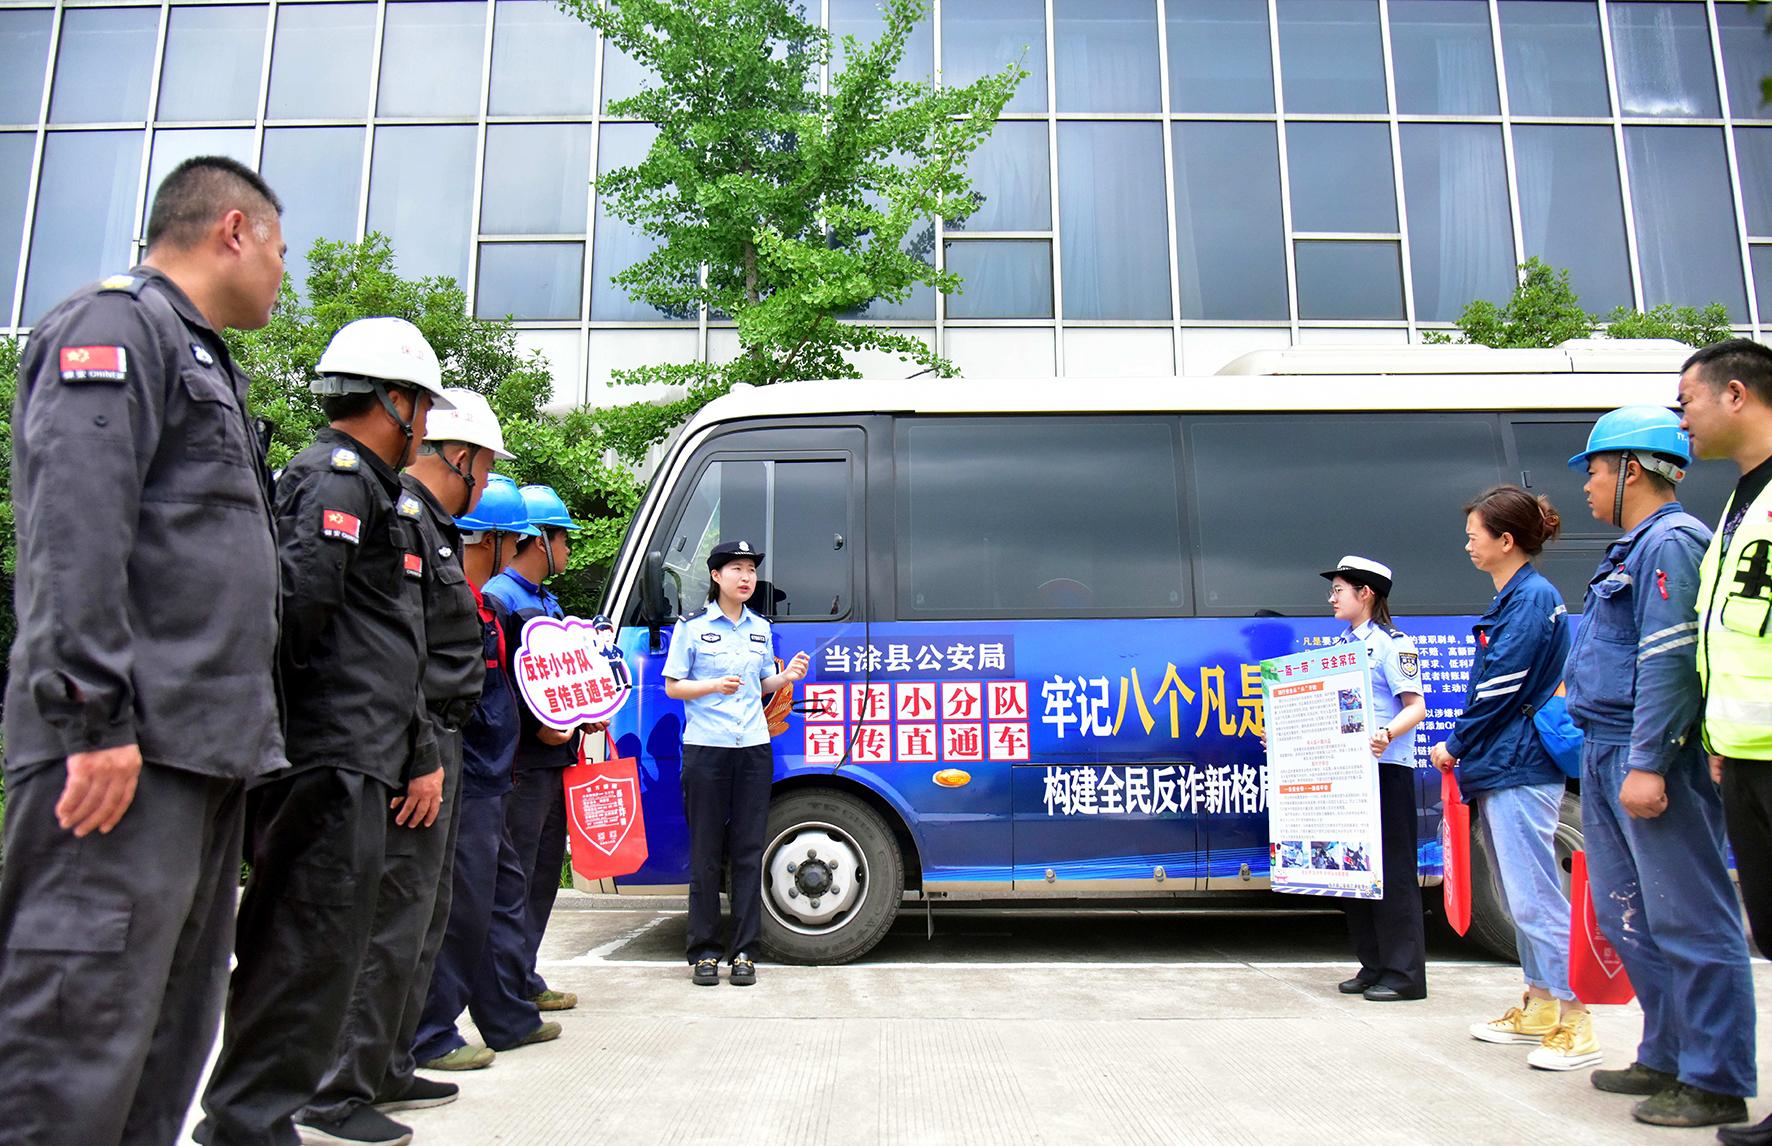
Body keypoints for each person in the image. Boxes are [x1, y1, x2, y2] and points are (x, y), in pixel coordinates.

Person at [0, 157, 285, 1146]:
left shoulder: (202, 355)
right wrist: (95, 719)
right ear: (234, 230)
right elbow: (75, 528)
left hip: (200, 756)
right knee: (75, 1047)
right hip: (123, 758)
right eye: (280, 250)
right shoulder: (116, 327)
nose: (281, 275)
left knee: (162, 1048)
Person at [197, 317, 451, 1146]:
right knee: (300, 942)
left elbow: (390, 642)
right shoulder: (336, 480)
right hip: (326, 756)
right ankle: (248, 1121)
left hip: (362, 752)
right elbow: (297, 614)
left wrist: (410, 747)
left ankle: (261, 1114)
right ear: (391, 400)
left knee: (328, 942)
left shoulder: (375, 490)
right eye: (420, 404)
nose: (424, 423)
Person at [300, 389, 510, 1130]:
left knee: (423, 916)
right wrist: (420, 748)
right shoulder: (404, 518)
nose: (486, 479)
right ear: (461, 456)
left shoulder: (434, 528)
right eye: (486, 465)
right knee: (389, 917)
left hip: (436, 740)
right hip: (407, 744)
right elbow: (395, 651)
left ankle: (388, 1065)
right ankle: (340, 1088)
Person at [1561, 406, 1756, 1129]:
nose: (1587, 486)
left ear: (1631, 471)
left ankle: (1715, 1078)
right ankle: (1667, 1054)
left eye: (1595, 470)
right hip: (1607, 747)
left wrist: (1647, 762)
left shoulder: (1672, 543)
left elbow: (1670, 663)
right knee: (1628, 914)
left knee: (1689, 918)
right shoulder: (1632, 549)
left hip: (1649, 754)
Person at [1429, 485, 1595, 1069]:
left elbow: (1500, 686)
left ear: (1505, 540)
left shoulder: (1529, 599)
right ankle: (1541, 1004)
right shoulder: (1517, 596)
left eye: (1474, 535)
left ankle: (1576, 1017)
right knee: (1519, 897)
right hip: (1504, 764)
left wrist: (1455, 743)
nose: (1467, 545)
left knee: (1534, 897)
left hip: (1519, 764)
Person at [413, 473, 558, 1072]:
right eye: (513, 540)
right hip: (461, 776)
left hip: (493, 776)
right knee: (458, 908)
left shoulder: (484, 608)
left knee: (501, 897)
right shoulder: (446, 603)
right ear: (492, 540)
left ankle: (507, 1016)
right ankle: (430, 1033)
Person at [1676, 338, 1772, 1146]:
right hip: (1743, 750)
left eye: (1688, 403)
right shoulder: (1742, 501)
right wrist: (1717, 733)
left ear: (1735, 394)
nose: (1683, 422)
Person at [663, 540, 809, 986]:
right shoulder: (692, 627)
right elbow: (673, 686)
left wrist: (786, 676)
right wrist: (711, 686)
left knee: (748, 853)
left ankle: (745, 951)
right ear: (715, 576)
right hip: (706, 748)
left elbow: (761, 683)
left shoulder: (760, 628)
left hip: (752, 748)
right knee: (706, 854)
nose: (746, 578)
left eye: (750, 570)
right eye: (737, 569)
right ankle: (704, 952)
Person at [483, 484, 586, 1015]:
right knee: (515, 874)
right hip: (522, 760)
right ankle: (502, 986)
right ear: (539, 539)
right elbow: (498, 684)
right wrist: (535, 730)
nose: (568, 549)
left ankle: (523, 974)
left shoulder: (547, 601)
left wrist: (585, 711)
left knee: (543, 871)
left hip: (554, 759)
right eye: (564, 538)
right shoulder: (500, 599)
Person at [1318, 556, 1428, 1003]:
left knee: (1393, 871)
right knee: (1355, 869)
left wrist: (1387, 733)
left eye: (1338, 590)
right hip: (1349, 773)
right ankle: (1373, 965)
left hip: (1386, 769)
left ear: (1365, 593)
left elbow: (1416, 706)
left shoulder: (1391, 645)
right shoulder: (1340, 647)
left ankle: (1404, 974)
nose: (1331, 598)